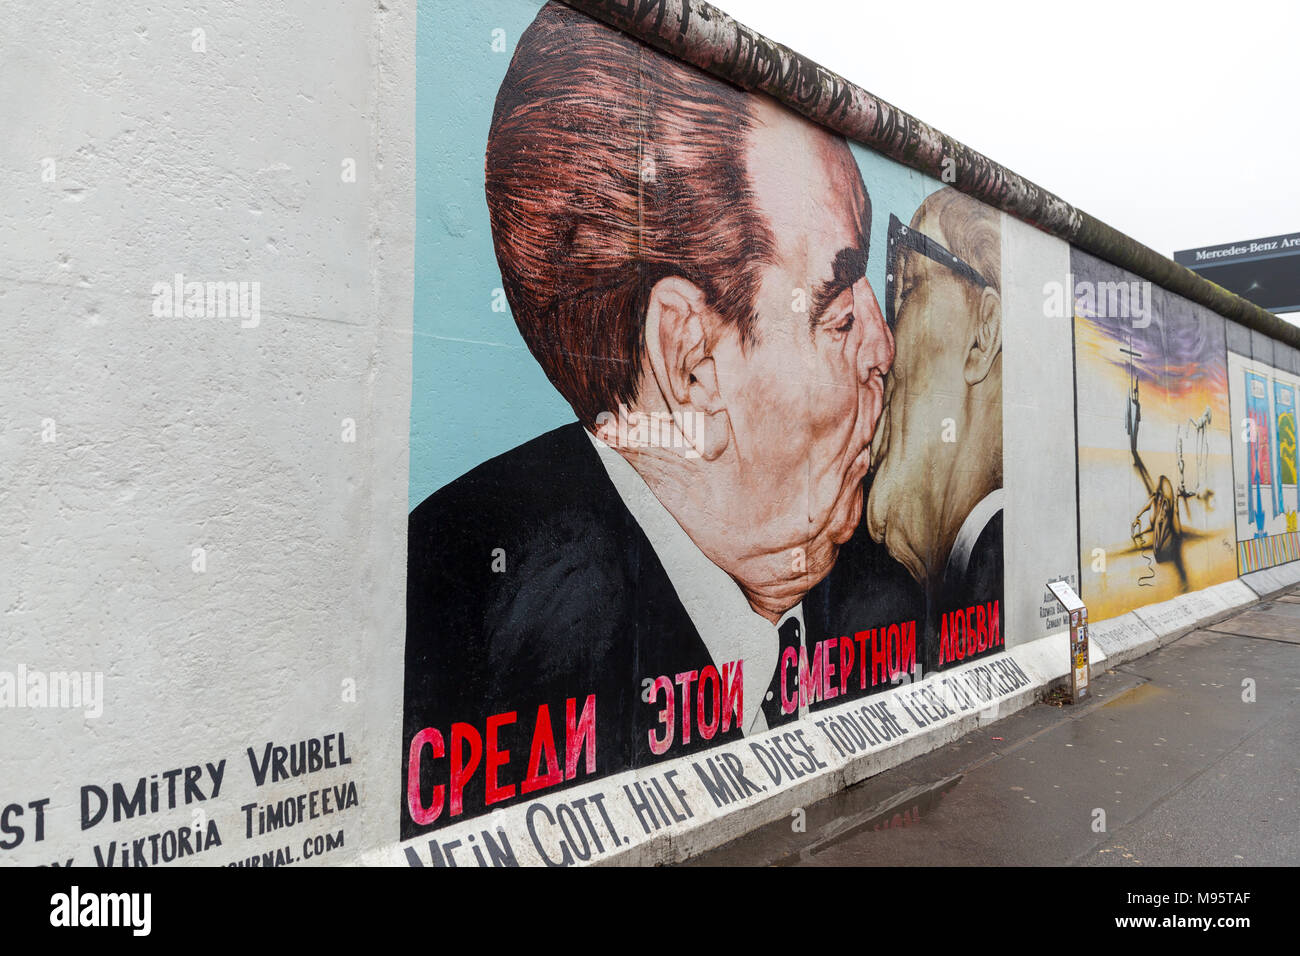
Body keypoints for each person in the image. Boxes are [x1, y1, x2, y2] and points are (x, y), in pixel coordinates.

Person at [401, 1, 895, 837]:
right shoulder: (456, 629)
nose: (883, 347)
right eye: (839, 317)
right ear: (689, 358)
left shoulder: (885, 595)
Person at [863, 187, 1004, 674]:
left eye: (906, 290)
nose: (883, 344)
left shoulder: (995, 560)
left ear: (982, 335)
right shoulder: (957, 572)